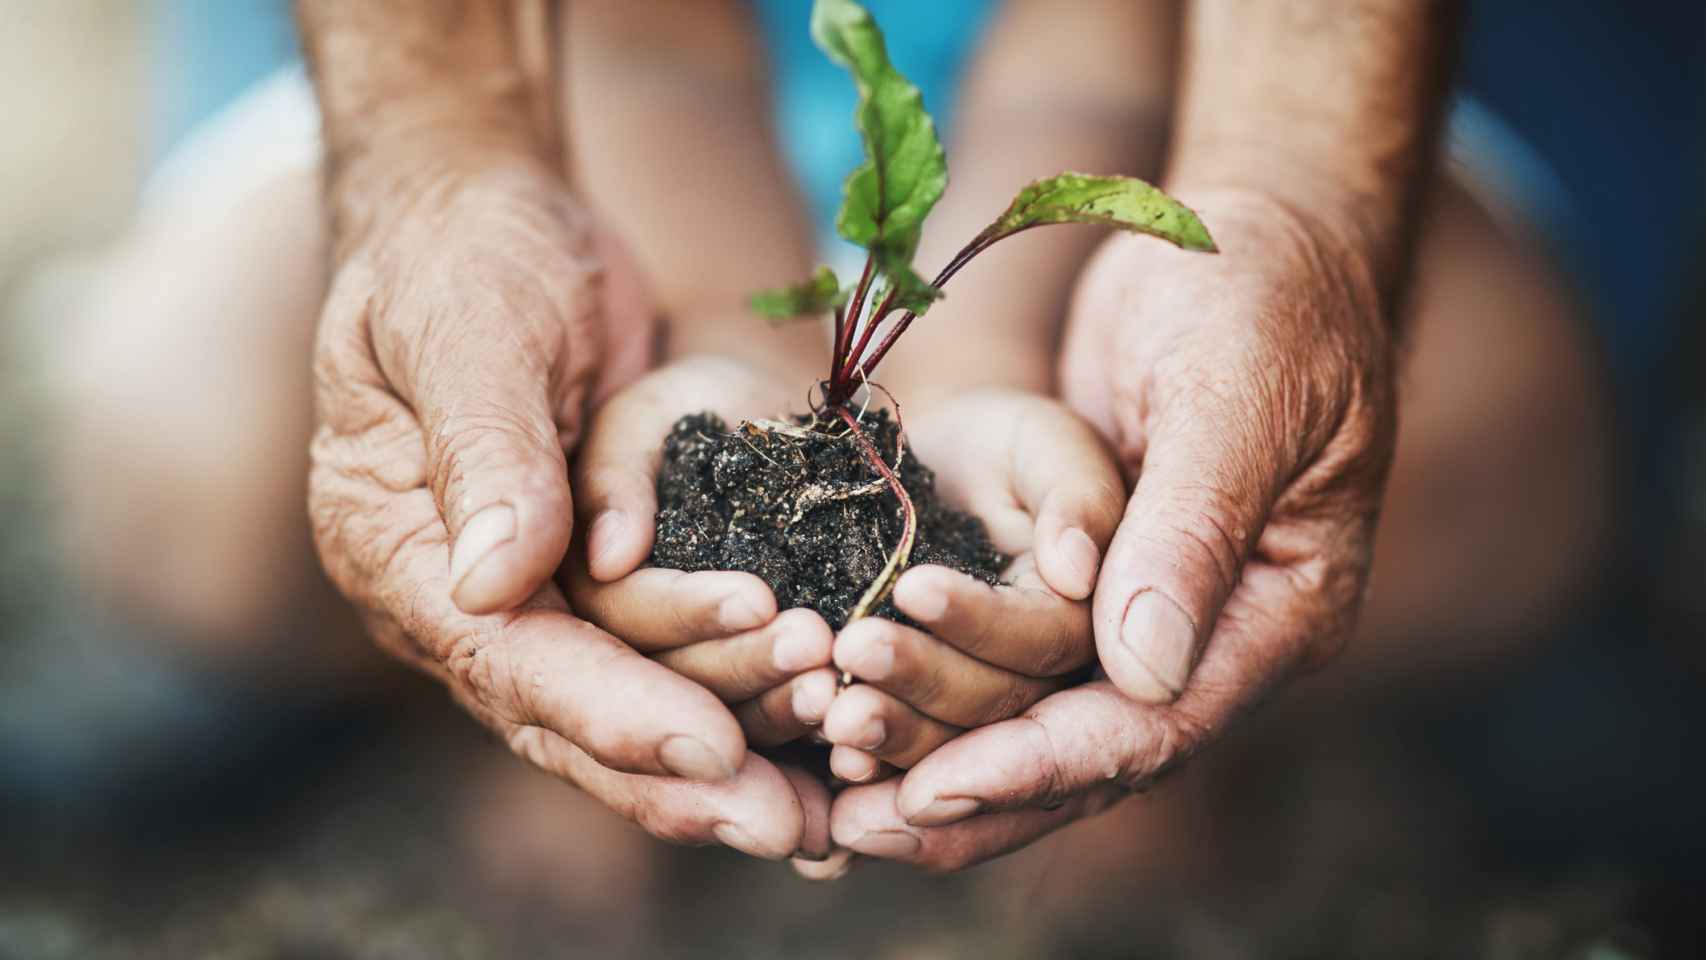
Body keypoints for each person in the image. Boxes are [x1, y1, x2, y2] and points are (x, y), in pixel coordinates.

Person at [56, 0, 1611, 879]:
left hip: (1164, 95)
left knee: (1475, 435)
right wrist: (717, 348)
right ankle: (474, 703)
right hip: (577, 112)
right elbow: (634, 54)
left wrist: (996, 360)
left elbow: (1098, 66)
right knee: (203, 443)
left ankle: (1206, 739)